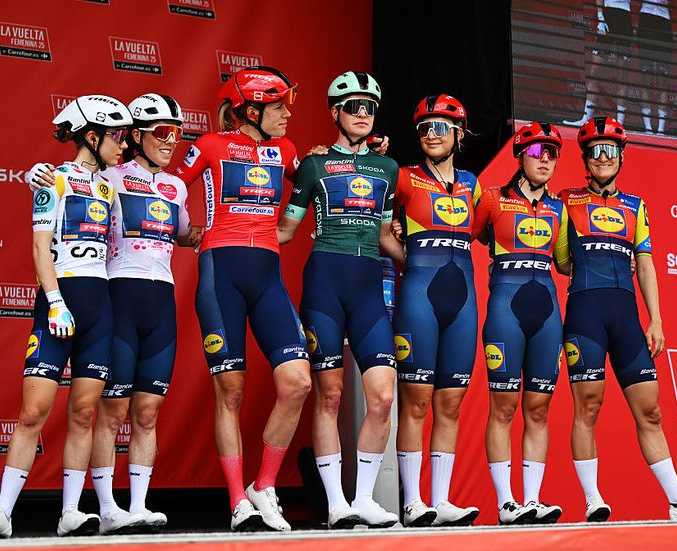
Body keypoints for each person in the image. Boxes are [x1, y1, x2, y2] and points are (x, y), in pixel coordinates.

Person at [25, 93, 201, 533]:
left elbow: (184, 233)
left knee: (148, 411)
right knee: (110, 410)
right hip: (117, 296)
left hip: (162, 300)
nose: (171, 140)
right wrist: (35, 175)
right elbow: (64, 181)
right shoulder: (111, 176)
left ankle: (136, 505)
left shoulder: (176, 186)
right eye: (162, 131)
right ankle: (106, 508)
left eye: (177, 133)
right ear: (136, 135)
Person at [0, 95, 132, 538]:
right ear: (91, 137)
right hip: (59, 302)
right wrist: (56, 301)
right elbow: (40, 248)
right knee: (33, 411)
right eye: (117, 137)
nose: (124, 145)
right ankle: (1, 512)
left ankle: (72, 513)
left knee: (83, 414)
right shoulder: (51, 180)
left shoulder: (110, 186)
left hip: (100, 306)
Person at [562, 116, 677, 521]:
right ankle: (592, 499)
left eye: (610, 150)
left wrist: (656, 319)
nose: (603, 157)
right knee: (588, 408)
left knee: (651, 411)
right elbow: (559, 257)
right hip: (584, 315)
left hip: (627, 320)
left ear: (621, 157)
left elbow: (647, 262)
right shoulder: (566, 199)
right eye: (595, 150)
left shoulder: (636, 206)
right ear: (585, 157)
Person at [175, 67, 312, 532]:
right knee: (231, 391)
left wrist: (363, 158)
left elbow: (316, 179)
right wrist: (177, 231)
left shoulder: (286, 150)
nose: (287, 114)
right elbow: (169, 185)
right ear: (251, 111)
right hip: (221, 274)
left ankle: (264, 485)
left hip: (267, 274)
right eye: (278, 107)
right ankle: (238, 501)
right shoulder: (212, 145)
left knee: (298, 382)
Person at [277, 71, 403, 529]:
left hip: (369, 288)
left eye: (370, 107)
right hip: (324, 285)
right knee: (328, 396)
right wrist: (233, 237)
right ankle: (336, 503)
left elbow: (388, 237)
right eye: (353, 107)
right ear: (335, 113)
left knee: (383, 396)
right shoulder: (312, 165)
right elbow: (287, 230)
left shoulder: (387, 168)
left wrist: (422, 259)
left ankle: (364, 498)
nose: (363, 114)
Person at [470, 122, 569, 525]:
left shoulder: (560, 208)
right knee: (504, 407)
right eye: (536, 151)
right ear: (520, 156)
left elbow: (564, 262)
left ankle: (532, 499)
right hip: (505, 311)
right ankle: (506, 502)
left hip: (547, 314)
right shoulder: (492, 199)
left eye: (552, 153)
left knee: (539, 409)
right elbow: (466, 235)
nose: (544, 159)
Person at [390, 95, 481, 527]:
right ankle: (413, 501)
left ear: (459, 134)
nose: (431, 133)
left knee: (451, 402)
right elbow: (374, 226)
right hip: (418, 296)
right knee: (417, 402)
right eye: (425, 126)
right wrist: (408, 259)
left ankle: (441, 501)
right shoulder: (404, 177)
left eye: (441, 126)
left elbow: (495, 231)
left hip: (463, 299)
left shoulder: (473, 184)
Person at [564, 0, 633, 127]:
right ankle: (586, 118)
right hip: (608, 14)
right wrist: (601, 17)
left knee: (623, 75)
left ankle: (620, 124)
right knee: (595, 72)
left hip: (624, 18)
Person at [636, 1, 673, 135]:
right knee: (645, 76)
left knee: (663, 78)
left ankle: (661, 129)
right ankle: (648, 128)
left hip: (664, 19)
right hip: (646, 18)